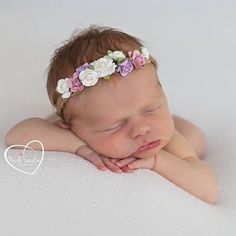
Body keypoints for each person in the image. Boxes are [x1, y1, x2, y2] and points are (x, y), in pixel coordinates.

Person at [5, 25, 218, 204]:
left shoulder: (167, 140)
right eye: (115, 125)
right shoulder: (73, 130)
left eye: (152, 109)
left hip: (181, 132)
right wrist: (80, 148)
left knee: (195, 139)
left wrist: (158, 160)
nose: (141, 129)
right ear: (68, 127)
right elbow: (17, 135)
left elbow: (210, 191)